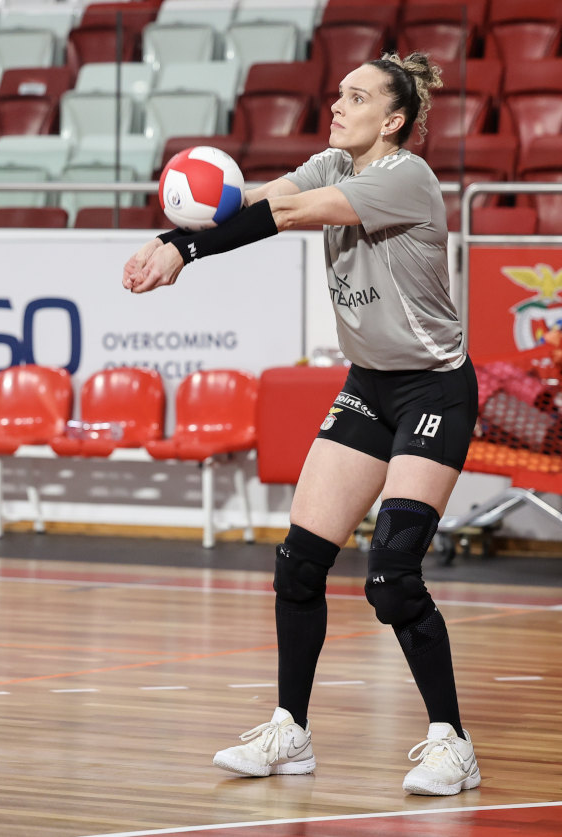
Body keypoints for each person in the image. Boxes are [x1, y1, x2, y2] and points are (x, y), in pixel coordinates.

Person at [122, 52, 481, 797]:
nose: (336, 105)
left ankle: (452, 740)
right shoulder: (330, 163)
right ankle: (291, 729)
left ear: (394, 120)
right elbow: (265, 197)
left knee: (392, 574)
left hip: (433, 391)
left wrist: (184, 246)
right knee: (299, 563)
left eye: (356, 97)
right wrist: (200, 203)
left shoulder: (403, 178)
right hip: (368, 388)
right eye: (337, 93)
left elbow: (285, 216)